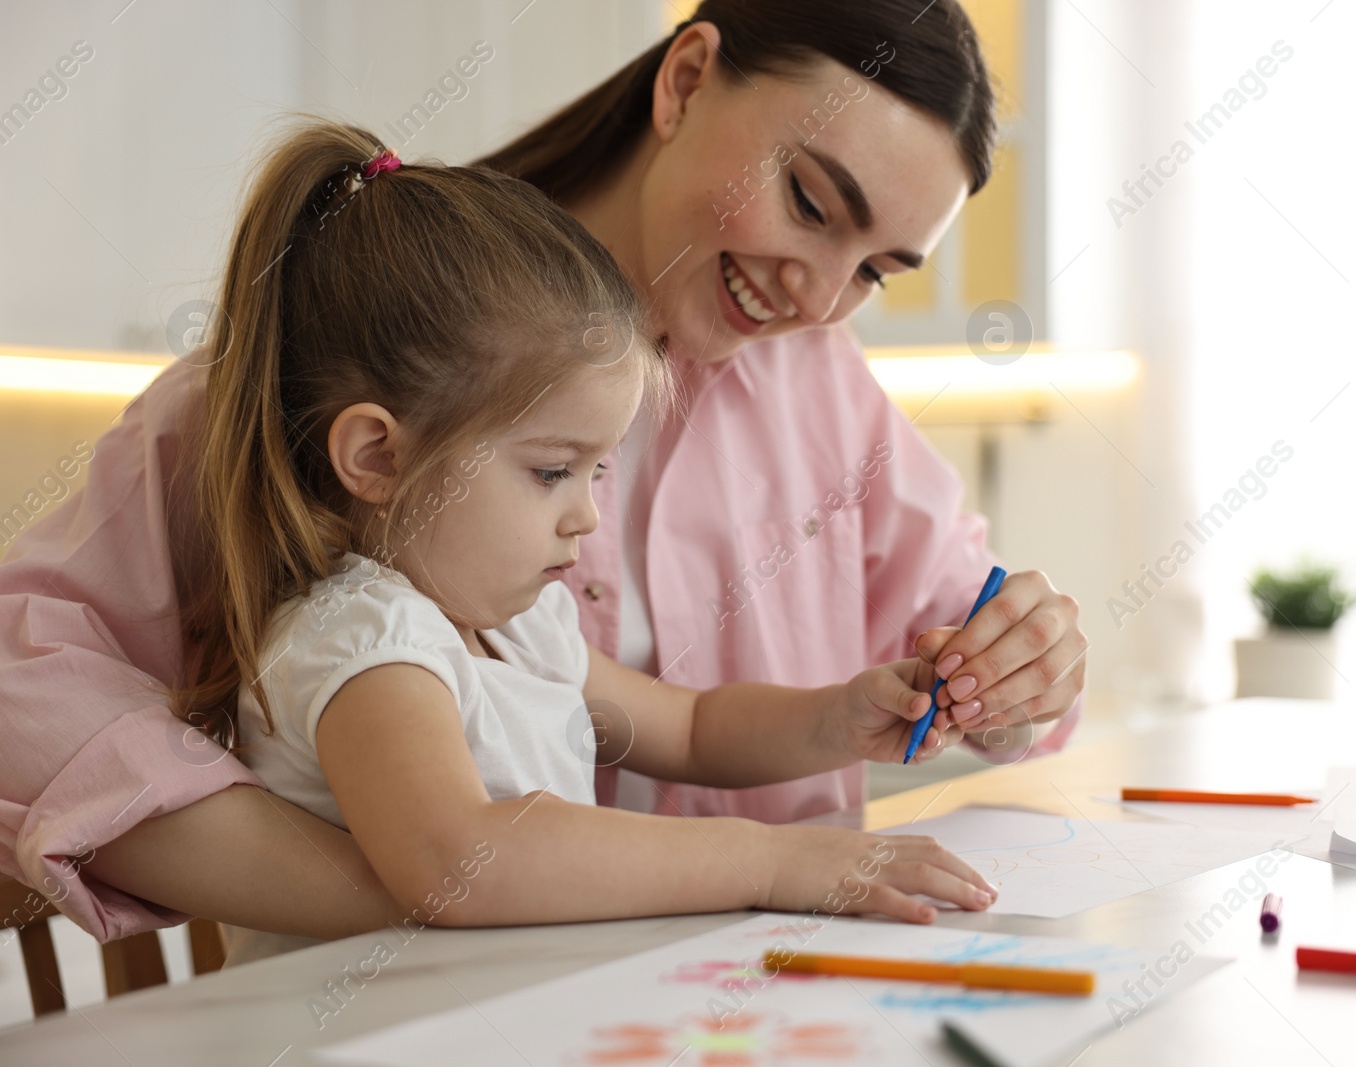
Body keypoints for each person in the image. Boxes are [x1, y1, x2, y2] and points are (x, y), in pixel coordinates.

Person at [0, 0, 1086, 947]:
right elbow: (23, 679)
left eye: (878, 273)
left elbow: (899, 683)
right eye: (808, 202)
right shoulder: (349, 369)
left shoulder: (822, 389)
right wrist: (381, 885)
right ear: (687, 79)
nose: (818, 299)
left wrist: (1014, 674)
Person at [185, 122, 994, 961]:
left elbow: (691, 729)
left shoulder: (520, 628)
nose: (586, 517)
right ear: (378, 456)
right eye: (550, 472)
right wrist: (774, 858)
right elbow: (460, 859)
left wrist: (837, 717)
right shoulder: (363, 642)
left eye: (597, 473)